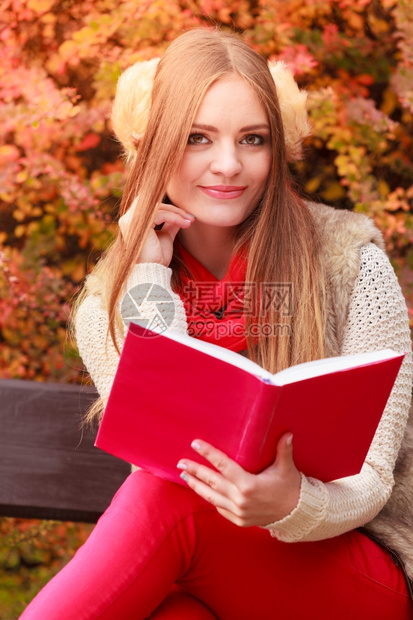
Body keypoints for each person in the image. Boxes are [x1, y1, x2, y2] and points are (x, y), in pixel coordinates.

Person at [21, 28, 413, 619]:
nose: (228, 165)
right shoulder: (109, 302)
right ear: (154, 146)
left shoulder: (351, 263)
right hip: (216, 563)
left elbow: (375, 480)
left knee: (166, 497)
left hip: (357, 572)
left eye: (252, 139)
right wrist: (148, 281)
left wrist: (292, 501)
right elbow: (160, 437)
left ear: (275, 148)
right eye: (197, 138)